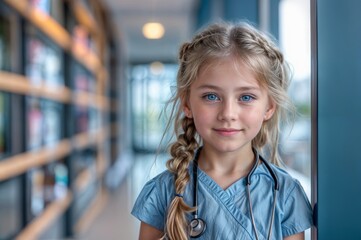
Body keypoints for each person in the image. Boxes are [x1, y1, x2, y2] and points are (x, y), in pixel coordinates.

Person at [131, 21, 313, 240]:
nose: (228, 113)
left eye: (246, 97)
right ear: (187, 104)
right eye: (211, 96)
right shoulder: (164, 190)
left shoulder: (285, 193)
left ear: (269, 107)